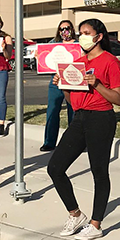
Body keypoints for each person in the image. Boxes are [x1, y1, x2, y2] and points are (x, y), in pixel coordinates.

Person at [48, 18, 120, 240]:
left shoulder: (110, 62)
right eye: (80, 32)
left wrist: (98, 84)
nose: (81, 36)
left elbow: (119, 99)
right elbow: (72, 100)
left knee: (99, 171)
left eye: (86, 32)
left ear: (98, 36)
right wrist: (62, 84)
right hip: (79, 118)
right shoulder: (77, 62)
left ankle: (96, 224)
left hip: (101, 118)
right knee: (55, 167)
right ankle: (76, 214)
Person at [41, 20, 77, 152]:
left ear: (72, 29)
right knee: (52, 110)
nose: (64, 31)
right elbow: (45, 58)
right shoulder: (53, 44)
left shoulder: (78, 44)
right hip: (56, 80)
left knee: (73, 111)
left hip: (73, 81)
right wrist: (39, 57)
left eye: (67, 28)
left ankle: (74, 142)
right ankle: (49, 142)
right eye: (61, 29)